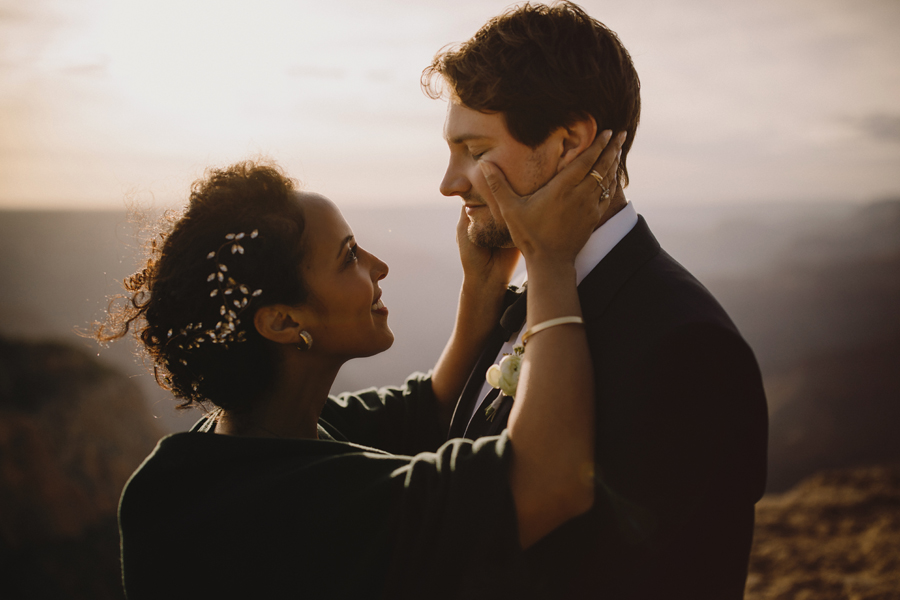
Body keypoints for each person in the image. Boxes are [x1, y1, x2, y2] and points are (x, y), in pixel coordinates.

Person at [97, 130, 624, 599]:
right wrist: (549, 260)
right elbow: (550, 483)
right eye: (349, 256)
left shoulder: (234, 448)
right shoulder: (287, 513)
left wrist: (482, 285)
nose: (379, 267)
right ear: (282, 322)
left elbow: (427, 411)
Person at [422, 2, 769, 598]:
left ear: (570, 142)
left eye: (475, 151)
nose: (450, 182)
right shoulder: (522, 298)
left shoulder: (687, 349)